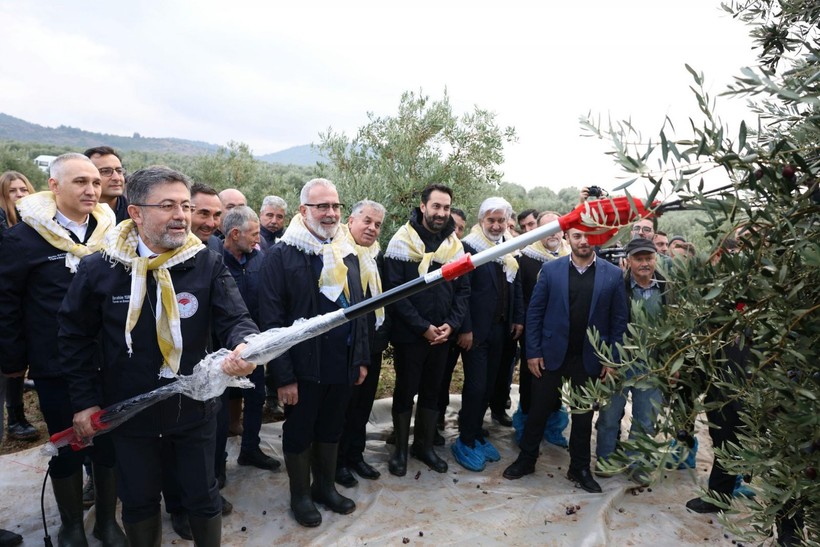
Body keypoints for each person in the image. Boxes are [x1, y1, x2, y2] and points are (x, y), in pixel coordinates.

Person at [59, 165, 258, 546]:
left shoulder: (206, 262)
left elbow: (237, 318)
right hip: (130, 413)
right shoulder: (100, 268)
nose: (181, 215)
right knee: (138, 502)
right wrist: (84, 402)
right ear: (136, 212)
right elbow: (74, 337)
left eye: (185, 205)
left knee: (203, 498)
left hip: (195, 410)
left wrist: (245, 346)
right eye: (168, 205)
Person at [0, 153, 125, 545]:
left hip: (109, 360)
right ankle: (72, 525)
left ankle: (106, 520)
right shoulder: (23, 238)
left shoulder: (114, 233)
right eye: (79, 182)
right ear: (53, 186)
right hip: (55, 363)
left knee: (108, 442)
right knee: (66, 443)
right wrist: (13, 361)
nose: (91, 189)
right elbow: (7, 304)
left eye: (95, 181)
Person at [259, 178, 370, 528]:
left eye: (335, 205)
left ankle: (324, 488)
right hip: (303, 369)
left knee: (332, 428)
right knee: (299, 432)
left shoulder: (346, 250)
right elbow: (271, 322)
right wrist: (284, 376)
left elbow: (361, 307)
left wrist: (361, 357)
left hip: (342, 363)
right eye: (322, 206)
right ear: (303, 210)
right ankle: (301, 496)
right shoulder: (281, 255)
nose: (331, 213)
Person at [502, 227, 628, 494]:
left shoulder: (613, 274)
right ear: (567, 239)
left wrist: (611, 358)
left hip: (590, 357)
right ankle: (527, 459)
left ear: (597, 239)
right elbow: (534, 314)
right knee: (538, 410)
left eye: (588, 236)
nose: (583, 241)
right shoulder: (551, 270)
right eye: (577, 236)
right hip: (550, 354)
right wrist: (533, 352)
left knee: (582, 416)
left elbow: (619, 320)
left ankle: (579, 468)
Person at [383, 183, 469, 478]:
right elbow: (394, 293)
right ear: (423, 206)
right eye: (436, 207)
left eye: (446, 208)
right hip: (410, 336)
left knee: (434, 390)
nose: (441, 213)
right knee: (406, 390)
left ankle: (424, 447)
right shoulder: (400, 242)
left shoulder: (455, 245)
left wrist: (452, 325)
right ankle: (401, 451)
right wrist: (422, 327)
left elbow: (463, 291)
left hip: (443, 336)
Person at [453, 197, 524, 471]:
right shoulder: (468, 248)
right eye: (490, 220)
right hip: (476, 332)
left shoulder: (509, 247)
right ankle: (465, 440)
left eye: (500, 220)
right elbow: (462, 291)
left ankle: (477, 432)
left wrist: (517, 317)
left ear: (507, 221)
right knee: (476, 386)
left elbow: (515, 287)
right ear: (481, 221)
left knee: (491, 384)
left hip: (501, 329)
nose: (496, 225)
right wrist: (465, 328)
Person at [595, 238, 670, 484]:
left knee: (646, 418)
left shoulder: (667, 288)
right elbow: (604, 324)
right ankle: (605, 459)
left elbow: (677, 326)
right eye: (639, 259)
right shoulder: (618, 286)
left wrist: (672, 361)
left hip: (653, 365)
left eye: (649, 258)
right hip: (620, 362)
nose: (645, 263)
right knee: (609, 414)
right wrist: (608, 360)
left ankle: (638, 463)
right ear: (628, 261)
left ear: (655, 259)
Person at [221, 206, 281, 471]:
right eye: (254, 234)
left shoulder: (261, 257)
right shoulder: (213, 260)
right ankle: (216, 465)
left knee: (255, 398)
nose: (259, 239)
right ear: (235, 234)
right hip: (222, 350)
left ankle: (250, 449)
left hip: (255, 344)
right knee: (220, 406)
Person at [336, 200, 389, 487]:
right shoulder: (339, 253)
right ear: (350, 220)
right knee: (345, 406)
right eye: (367, 221)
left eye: (378, 224)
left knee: (363, 404)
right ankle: (338, 462)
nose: (372, 228)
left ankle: (356, 455)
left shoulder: (374, 255)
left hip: (373, 344)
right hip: (348, 346)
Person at [512, 211, 570, 448]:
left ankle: (553, 426)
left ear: (563, 231)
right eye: (546, 229)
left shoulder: (571, 257)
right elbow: (521, 296)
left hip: (562, 333)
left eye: (556, 228)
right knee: (530, 379)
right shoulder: (525, 258)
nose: (552, 234)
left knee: (557, 379)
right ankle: (525, 426)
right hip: (533, 332)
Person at [0, 171, 40, 442]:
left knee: (17, 365)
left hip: (25, 306)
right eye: (12, 191)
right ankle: (14, 420)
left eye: (23, 189)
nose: (19, 195)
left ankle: (16, 414)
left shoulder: (35, 223)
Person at [84, 146, 129, 223]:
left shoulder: (136, 215)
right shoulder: (74, 213)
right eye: (106, 171)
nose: (116, 178)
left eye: (119, 171)